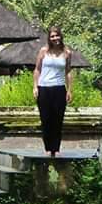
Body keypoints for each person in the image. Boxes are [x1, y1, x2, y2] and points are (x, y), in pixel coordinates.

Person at [32, 26, 72, 157]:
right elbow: (37, 70)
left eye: (57, 36)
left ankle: (57, 148)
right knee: (46, 119)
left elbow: (68, 72)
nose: (55, 39)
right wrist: (35, 87)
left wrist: (69, 90)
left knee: (58, 119)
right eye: (52, 36)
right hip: (44, 88)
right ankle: (48, 148)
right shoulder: (44, 51)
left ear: (61, 36)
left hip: (59, 88)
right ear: (49, 38)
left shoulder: (67, 53)